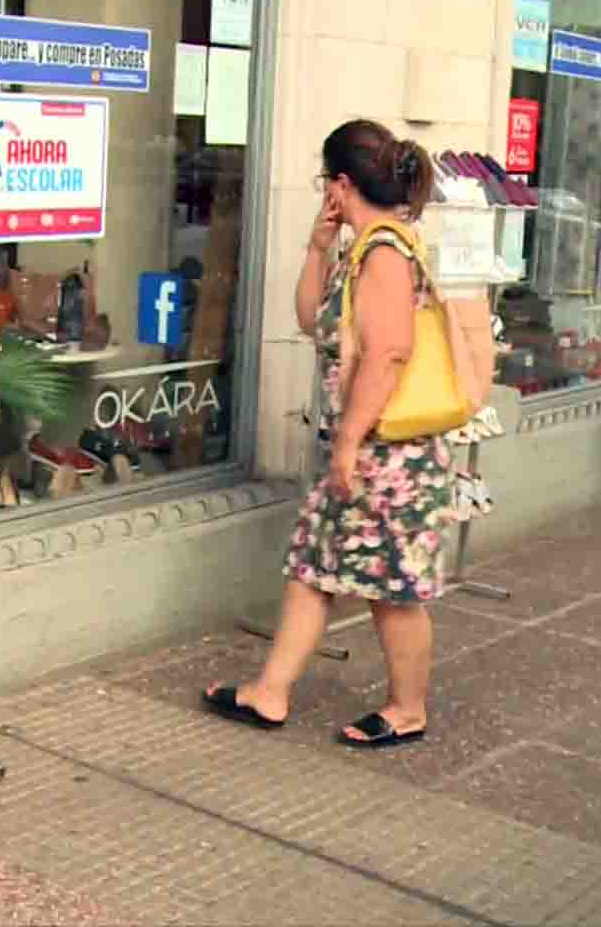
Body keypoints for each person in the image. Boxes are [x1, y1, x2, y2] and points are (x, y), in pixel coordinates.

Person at [202, 119, 463, 748]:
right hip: (365, 448)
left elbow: (389, 353)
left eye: (327, 182)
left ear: (342, 184)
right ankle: (271, 691)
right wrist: (318, 247)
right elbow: (309, 318)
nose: (326, 193)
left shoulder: (384, 252)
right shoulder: (363, 245)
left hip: (388, 453)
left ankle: (408, 708)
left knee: (392, 590)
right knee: (313, 565)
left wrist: (347, 441)